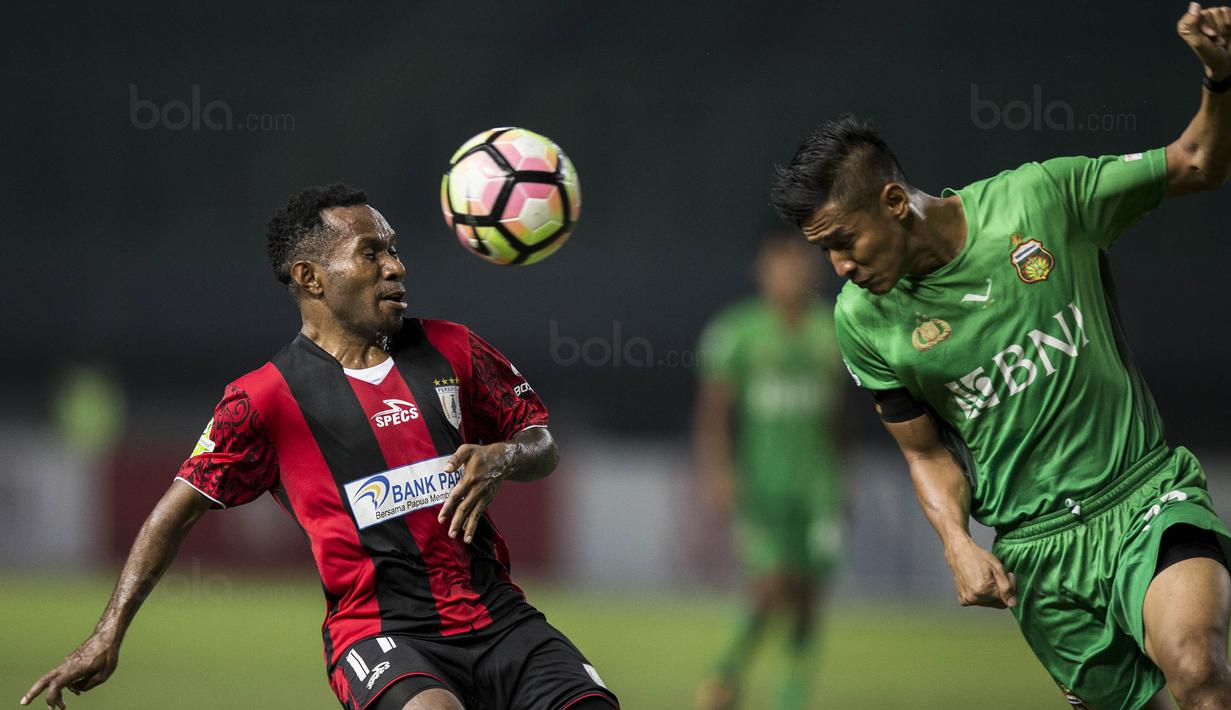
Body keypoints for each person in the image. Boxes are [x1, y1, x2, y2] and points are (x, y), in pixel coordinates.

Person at [768, 5, 1231, 708]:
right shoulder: (861, 322)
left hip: (1141, 496)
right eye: (822, 251)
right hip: (1036, 552)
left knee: (1196, 668)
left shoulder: (1040, 202)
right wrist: (956, 541)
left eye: (844, 243)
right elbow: (924, 454)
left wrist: (1219, 76)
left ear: (893, 201)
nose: (837, 267)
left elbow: (1197, 162)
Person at [21, 184, 619, 710]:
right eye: (371, 253)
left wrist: (503, 456)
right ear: (310, 277)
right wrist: (108, 633)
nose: (396, 267)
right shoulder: (263, 399)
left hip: (500, 617)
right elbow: (176, 510)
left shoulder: (452, 347)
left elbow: (541, 444)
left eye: (393, 249)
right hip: (383, 634)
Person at [694, 234, 846, 710]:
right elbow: (713, 413)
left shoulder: (832, 331)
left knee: (808, 595)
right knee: (770, 586)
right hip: (761, 486)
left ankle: (792, 697)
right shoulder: (739, 331)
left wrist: (846, 476)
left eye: (800, 268)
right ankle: (726, 674)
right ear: (764, 275)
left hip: (818, 487)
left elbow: (840, 417)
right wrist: (718, 472)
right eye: (782, 269)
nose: (792, 277)